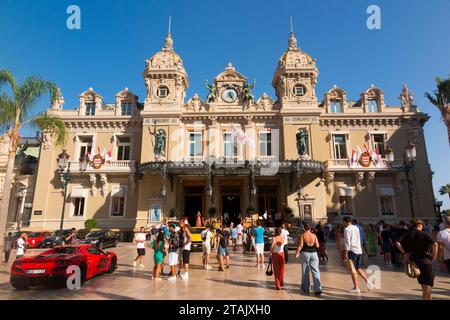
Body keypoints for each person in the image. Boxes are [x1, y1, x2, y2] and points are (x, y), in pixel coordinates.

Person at [396, 219, 438, 300]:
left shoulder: (408, 234)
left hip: (415, 262)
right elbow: (435, 244)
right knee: (428, 285)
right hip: (425, 261)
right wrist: (434, 256)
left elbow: (397, 242)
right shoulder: (424, 234)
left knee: (423, 284)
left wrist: (404, 253)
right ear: (419, 225)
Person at [343, 216, 374, 294]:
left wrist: (346, 252)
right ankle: (369, 282)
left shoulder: (347, 229)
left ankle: (356, 287)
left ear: (345, 222)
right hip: (359, 250)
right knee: (358, 268)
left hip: (352, 251)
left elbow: (347, 242)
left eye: (343, 222)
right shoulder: (356, 227)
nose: (343, 223)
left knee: (353, 270)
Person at [296, 223, 322, 295]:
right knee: (316, 271)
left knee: (305, 271)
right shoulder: (314, 235)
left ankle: (306, 288)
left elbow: (301, 245)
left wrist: (297, 253)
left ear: (304, 228)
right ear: (310, 228)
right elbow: (317, 245)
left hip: (305, 253)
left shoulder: (303, 235)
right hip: (314, 254)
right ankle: (317, 289)